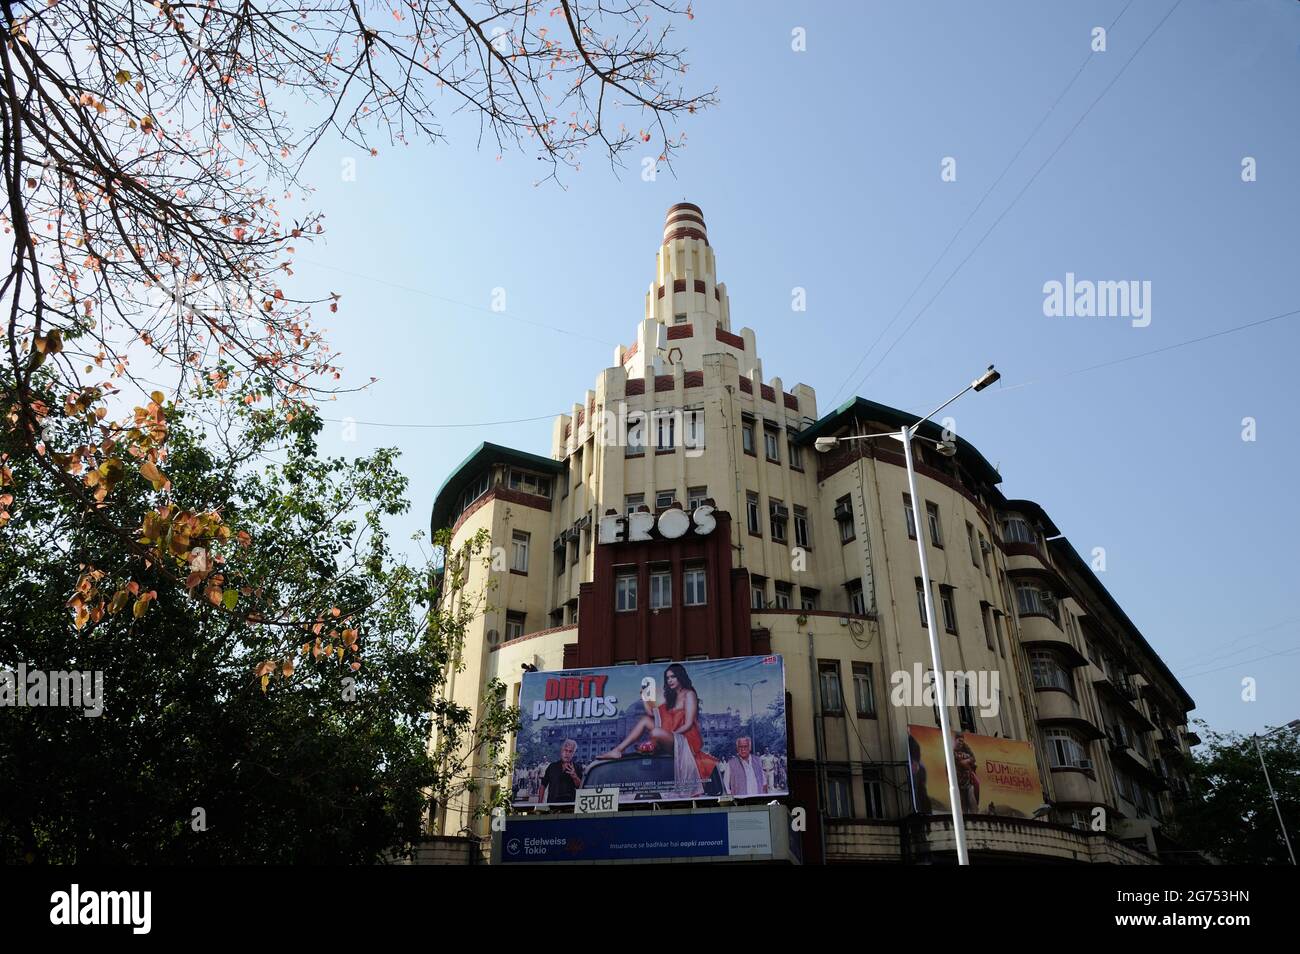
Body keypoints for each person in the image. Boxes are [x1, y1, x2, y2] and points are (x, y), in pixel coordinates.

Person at [596, 663, 718, 792]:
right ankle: (618, 750)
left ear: (681, 677)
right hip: (672, 737)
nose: (669, 680)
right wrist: (644, 697)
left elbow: (688, 724)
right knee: (645, 721)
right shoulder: (672, 697)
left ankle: (654, 743)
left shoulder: (689, 695)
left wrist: (668, 734)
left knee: (656, 731)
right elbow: (654, 714)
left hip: (686, 741)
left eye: (673, 677)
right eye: (667, 678)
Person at [539, 739, 584, 804]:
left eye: (570, 751)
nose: (567, 754)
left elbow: (581, 787)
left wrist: (574, 777)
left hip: (570, 806)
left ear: (573, 754)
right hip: (552, 804)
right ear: (561, 751)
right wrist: (539, 803)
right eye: (565, 750)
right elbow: (543, 785)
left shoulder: (578, 767)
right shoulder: (552, 767)